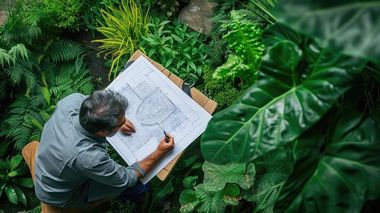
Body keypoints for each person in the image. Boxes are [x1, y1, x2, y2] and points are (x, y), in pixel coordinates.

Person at [34, 90, 175, 208]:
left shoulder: (71, 101)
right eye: (121, 122)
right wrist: (159, 152)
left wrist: (116, 123)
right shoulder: (89, 157)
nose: (125, 121)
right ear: (102, 132)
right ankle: (134, 195)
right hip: (56, 193)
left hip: (47, 163)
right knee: (133, 185)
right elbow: (127, 178)